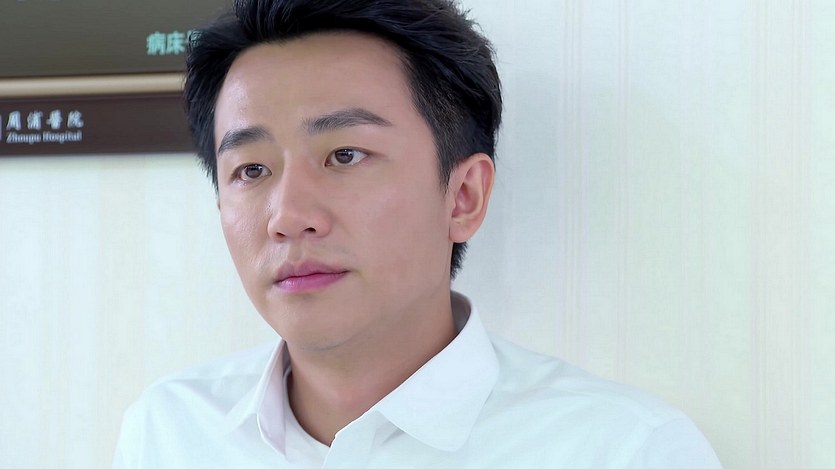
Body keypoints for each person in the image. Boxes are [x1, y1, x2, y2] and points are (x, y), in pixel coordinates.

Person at [114, 0, 722, 467]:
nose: (288, 215)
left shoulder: (621, 448)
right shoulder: (169, 431)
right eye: (251, 170)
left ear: (463, 196)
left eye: (345, 155)